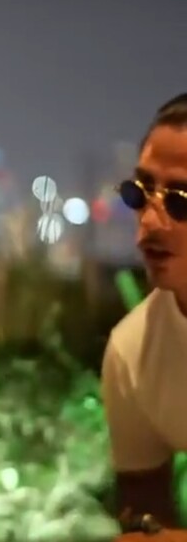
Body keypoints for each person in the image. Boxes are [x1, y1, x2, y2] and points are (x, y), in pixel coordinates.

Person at [102, 93, 187, 531]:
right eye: (141, 193)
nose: (149, 224)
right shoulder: (133, 352)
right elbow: (144, 521)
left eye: (180, 201)